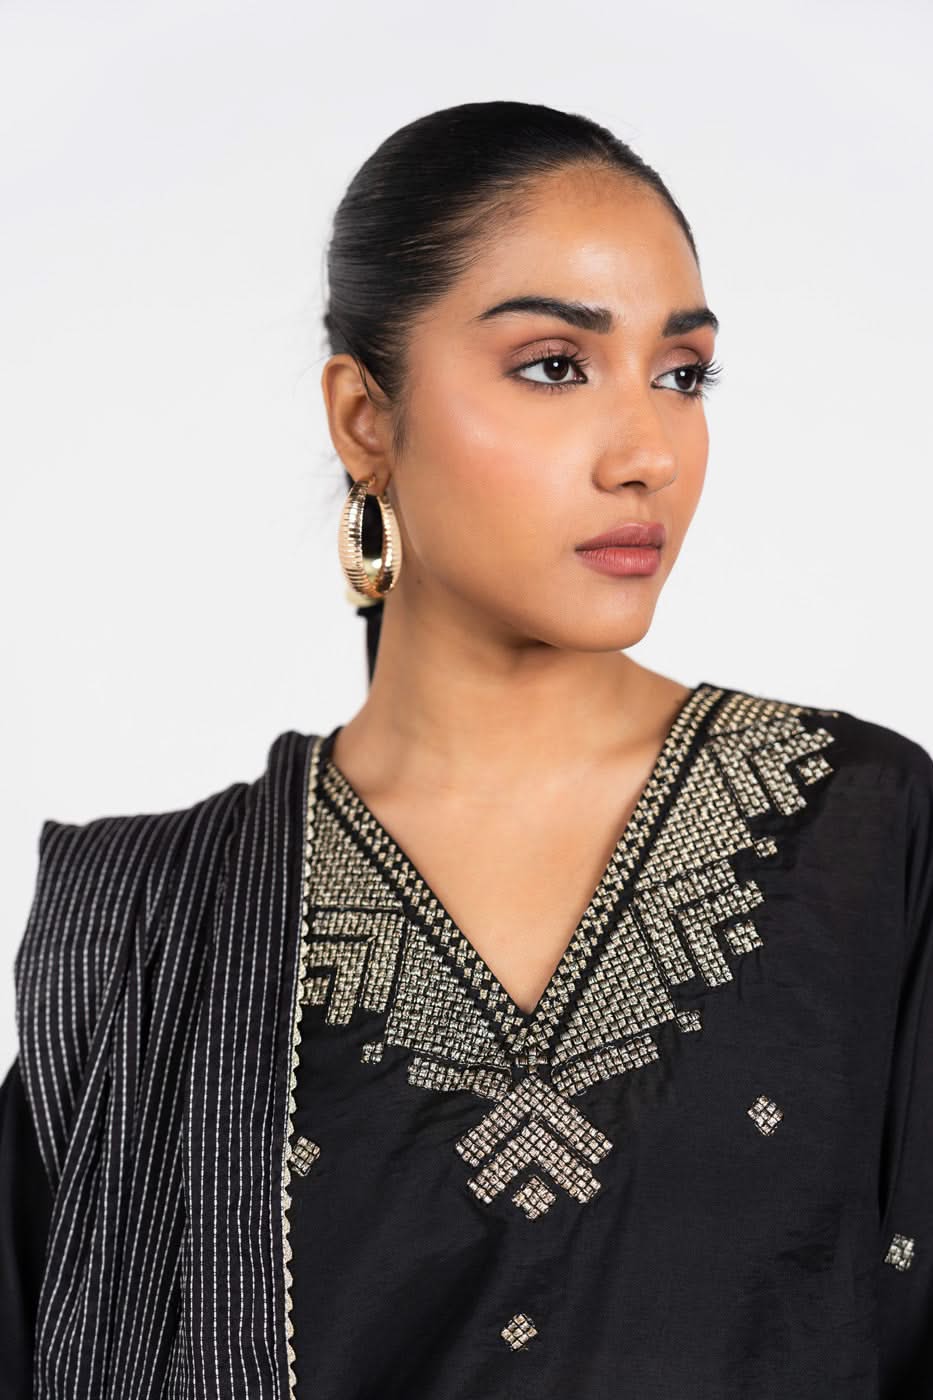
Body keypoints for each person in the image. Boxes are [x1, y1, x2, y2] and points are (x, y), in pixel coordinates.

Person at [1, 99, 930, 1400]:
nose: (647, 453)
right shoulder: (158, 931)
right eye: (553, 365)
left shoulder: (861, 832)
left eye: (681, 374)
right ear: (364, 419)